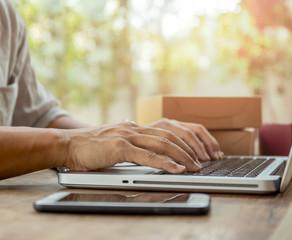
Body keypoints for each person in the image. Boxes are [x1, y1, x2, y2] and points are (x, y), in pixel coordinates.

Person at [0, 0, 223, 180]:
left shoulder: (6, 16)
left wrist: (121, 139)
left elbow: (40, 118)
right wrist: (70, 146)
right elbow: (64, 141)